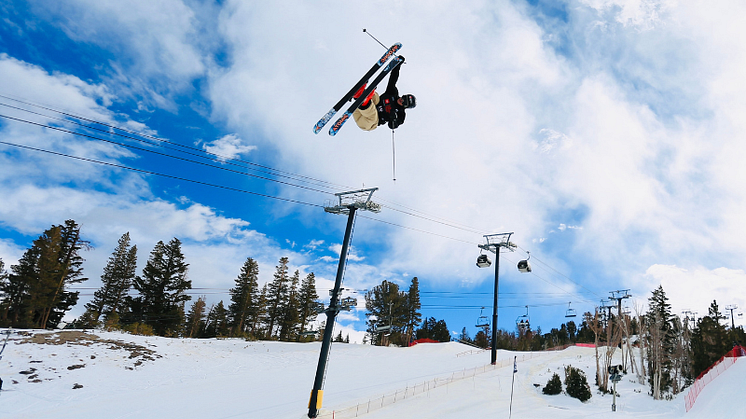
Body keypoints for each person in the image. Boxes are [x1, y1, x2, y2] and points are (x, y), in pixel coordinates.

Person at [352, 56, 416, 131]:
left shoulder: (401, 114)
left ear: (405, 106)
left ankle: (364, 101)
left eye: (404, 102)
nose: (401, 99)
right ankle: (360, 94)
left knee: (373, 114)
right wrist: (397, 65)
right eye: (404, 97)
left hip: (368, 122)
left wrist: (393, 120)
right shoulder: (392, 94)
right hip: (360, 109)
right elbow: (393, 79)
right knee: (375, 97)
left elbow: (393, 126)